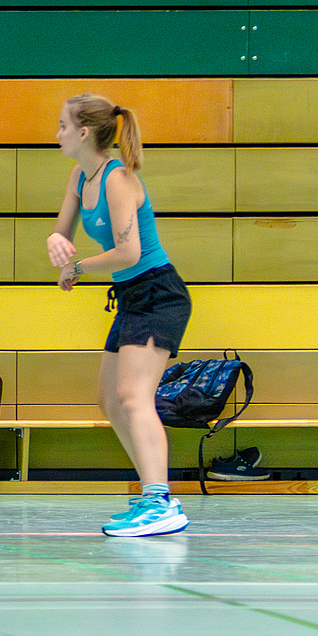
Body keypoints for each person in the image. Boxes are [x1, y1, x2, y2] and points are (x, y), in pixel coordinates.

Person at [48, 94, 191, 537]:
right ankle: (155, 494)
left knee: (133, 397)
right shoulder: (79, 176)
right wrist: (55, 241)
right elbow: (62, 228)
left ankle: (158, 501)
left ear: (84, 132)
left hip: (159, 294)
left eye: (62, 126)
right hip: (132, 296)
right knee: (110, 401)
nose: (57, 134)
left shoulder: (118, 179)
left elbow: (129, 252)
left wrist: (78, 267)